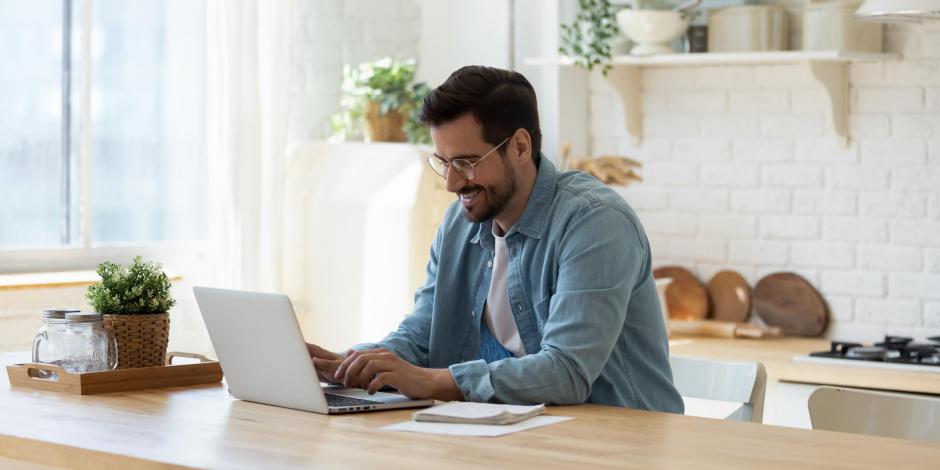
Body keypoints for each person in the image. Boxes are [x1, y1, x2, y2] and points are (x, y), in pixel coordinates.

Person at [307, 65, 683, 413]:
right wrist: (351, 363)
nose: (452, 183)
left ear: (520, 147)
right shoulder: (460, 223)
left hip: (623, 442)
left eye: (466, 163)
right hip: (524, 434)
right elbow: (423, 334)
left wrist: (432, 381)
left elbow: (567, 371)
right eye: (444, 162)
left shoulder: (594, 222)